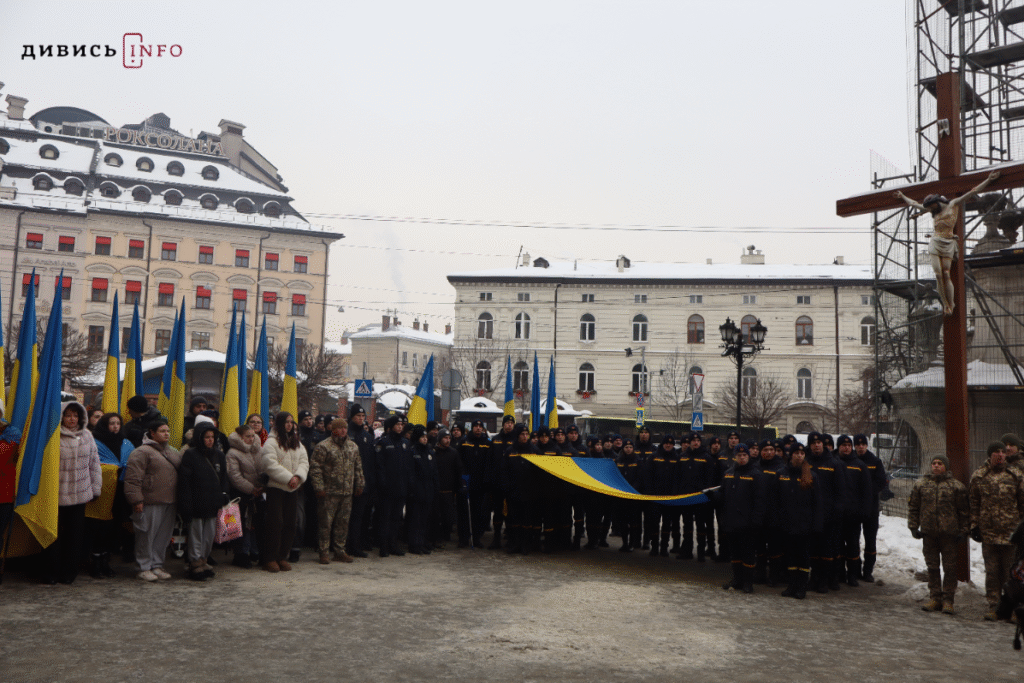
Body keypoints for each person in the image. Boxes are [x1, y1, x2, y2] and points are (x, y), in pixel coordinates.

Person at [894, 170, 1000, 315]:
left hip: (948, 242)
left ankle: (951, 303)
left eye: (931, 207)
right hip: (935, 242)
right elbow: (914, 203)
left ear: (936, 202)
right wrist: (902, 196)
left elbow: (972, 192)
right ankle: (946, 305)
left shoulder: (953, 204)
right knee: (938, 274)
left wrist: (989, 180)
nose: (930, 210)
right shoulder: (934, 211)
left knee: (946, 273)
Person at [42, 402, 102, 585]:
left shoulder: (87, 436)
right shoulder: (52, 436)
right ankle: (50, 572)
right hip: (56, 495)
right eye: (68, 415)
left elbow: (94, 464)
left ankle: (69, 572)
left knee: (74, 537)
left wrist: (95, 488)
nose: (72, 419)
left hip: (79, 495)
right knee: (53, 536)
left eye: (75, 415)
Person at [908, 454, 969, 614]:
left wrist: (964, 531)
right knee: (932, 567)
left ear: (946, 467)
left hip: (949, 535)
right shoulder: (921, 485)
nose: (935, 466)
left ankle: (948, 600)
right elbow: (914, 507)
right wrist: (913, 527)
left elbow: (963, 511)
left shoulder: (956, 486)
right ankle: (934, 598)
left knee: (950, 568)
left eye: (939, 463)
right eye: (933, 463)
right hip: (929, 534)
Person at [970, 441, 1024, 620]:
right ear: (990, 455)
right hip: (989, 533)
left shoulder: (1016, 475)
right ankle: (994, 606)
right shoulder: (979, 476)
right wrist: (974, 526)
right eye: (996, 452)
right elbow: (974, 504)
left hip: (1010, 534)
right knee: (992, 573)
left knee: (1012, 573)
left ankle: (1013, 608)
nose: (1001, 455)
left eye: (1003, 452)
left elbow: (1022, 504)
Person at [123, 418, 181, 581]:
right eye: (162, 431)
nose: (166, 434)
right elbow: (133, 479)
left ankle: (157, 565)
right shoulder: (142, 452)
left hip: (169, 501)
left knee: (163, 536)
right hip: (149, 501)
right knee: (146, 535)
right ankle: (143, 566)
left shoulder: (171, 451)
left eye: (168, 431)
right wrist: (136, 500)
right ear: (152, 433)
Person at [177, 422, 230, 581]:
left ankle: (204, 560)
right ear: (199, 438)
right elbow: (184, 482)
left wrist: (224, 494)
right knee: (196, 535)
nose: (210, 440)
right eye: (206, 437)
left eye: (212, 437)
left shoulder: (219, 455)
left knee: (209, 535)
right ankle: (195, 562)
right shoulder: (191, 455)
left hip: (213, 503)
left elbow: (224, 478)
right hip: (196, 503)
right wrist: (186, 504)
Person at [309, 418, 365, 564]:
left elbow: (358, 467)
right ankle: (324, 552)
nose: (343, 430)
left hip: (347, 492)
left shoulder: (353, 446)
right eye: (340, 428)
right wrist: (319, 487)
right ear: (333, 429)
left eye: (345, 428)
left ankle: (340, 551)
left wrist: (359, 484)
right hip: (329, 493)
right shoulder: (323, 446)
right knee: (325, 524)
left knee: (343, 523)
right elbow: (315, 469)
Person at [85, 412, 133, 578]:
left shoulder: (126, 443)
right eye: (111, 423)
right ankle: (95, 563)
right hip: (100, 492)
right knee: (98, 528)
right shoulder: (93, 441)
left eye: (118, 423)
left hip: (119, 492)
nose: (115, 426)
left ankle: (106, 562)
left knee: (113, 528)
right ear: (105, 425)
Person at [715, 443, 767, 594]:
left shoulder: (755, 474)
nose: (742, 458)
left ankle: (748, 582)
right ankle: (737, 580)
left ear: (748, 456)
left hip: (748, 523)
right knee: (735, 553)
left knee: (748, 554)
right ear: (735, 457)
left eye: (744, 455)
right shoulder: (729, 473)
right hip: (731, 522)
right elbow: (723, 495)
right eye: (739, 455)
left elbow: (760, 500)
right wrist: (713, 496)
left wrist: (756, 521)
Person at [260, 412, 309, 573]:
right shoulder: (271, 442)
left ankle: (282, 556)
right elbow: (269, 464)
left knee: (290, 523)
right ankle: (270, 558)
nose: (289, 425)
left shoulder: (296, 443)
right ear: (280, 424)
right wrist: (289, 477)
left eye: (291, 422)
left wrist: (298, 477)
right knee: (275, 523)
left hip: (293, 489)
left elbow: (304, 461)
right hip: (277, 488)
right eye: (286, 422)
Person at [777, 443, 822, 599]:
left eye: (802, 453)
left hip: (805, 524)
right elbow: (775, 500)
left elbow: (817, 502)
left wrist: (816, 524)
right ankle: (791, 585)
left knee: (803, 557)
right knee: (790, 556)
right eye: (796, 452)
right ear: (791, 455)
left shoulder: (811, 476)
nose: (799, 455)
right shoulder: (781, 474)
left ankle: (801, 587)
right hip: (787, 524)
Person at [836, 434, 874, 587]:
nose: (846, 448)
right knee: (837, 546)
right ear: (838, 447)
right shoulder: (835, 463)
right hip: (838, 515)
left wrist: (864, 512)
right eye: (843, 445)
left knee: (853, 546)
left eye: (848, 445)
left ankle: (852, 574)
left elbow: (867, 491)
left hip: (853, 515)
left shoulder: (859, 465)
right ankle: (839, 574)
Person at [226, 424, 265, 568]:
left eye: (252, 436)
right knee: (242, 526)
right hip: (242, 495)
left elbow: (265, 467)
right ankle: (241, 554)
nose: (251, 439)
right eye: (247, 436)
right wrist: (251, 489)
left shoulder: (259, 450)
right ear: (240, 437)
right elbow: (234, 476)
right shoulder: (232, 453)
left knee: (257, 525)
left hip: (259, 493)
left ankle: (255, 551)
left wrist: (262, 485)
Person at [854, 433, 890, 582]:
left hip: (871, 508)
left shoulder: (875, 461)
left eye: (863, 444)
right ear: (855, 446)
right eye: (858, 444)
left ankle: (868, 571)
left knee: (870, 540)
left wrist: (867, 491)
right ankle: (854, 570)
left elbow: (881, 481)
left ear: (867, 445)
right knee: (853, 540)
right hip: (854, 508)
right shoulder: (851, 460)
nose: (861, 447)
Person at [375, 415, 412, 557]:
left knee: (396, 518)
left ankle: (393, 544)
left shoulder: (405, 443)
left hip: (401, 487)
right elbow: (379, 466)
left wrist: (408, 484)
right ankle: (383, 546)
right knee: (385, 518)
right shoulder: (383, 442)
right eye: (397, 424)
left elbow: (408, 466)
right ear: (391, 426)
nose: (400, 427)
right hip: (387, 488)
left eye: (401, 425)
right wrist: (382, 483)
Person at [500, 424, 540, 554]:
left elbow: (539, 473)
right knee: (514, 520)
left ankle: (526, 545)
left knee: (527, 520)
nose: (525, 437)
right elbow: (504, 471)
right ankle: (514, 543)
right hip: (514, 491)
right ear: (517, 436)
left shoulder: (534, 450)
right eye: (522, 434)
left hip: (529, 492)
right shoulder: (510, 451)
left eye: (526, 434)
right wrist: (507, 488)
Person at [346, 404, 376, 557]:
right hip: (347, 482)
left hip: (364, 483)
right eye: (358, 416)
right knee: (348, 516)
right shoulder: (347, 434)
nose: (361, 419)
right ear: (352, 417)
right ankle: (348, 545)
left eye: (363, 416)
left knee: (361, 515)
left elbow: (370, 461)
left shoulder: (368, 436)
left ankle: (358, 543)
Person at [460, 419, 496, 548]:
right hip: (466, 483)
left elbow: (489, 464)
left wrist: (487, 480)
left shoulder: (487, 443)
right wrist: (463, 479)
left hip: (480, 485)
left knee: (479, 513)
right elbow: (460, 462)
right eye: (476, 426)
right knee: (465, 513)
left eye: (481, 426)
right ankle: (464, 539)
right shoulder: (464, 442)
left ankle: (477, 538)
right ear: (472, 428)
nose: (478, 428)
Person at [406, 425, 439, 555]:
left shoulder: (430, 451)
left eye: (426, 437)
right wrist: (413, 489)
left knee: (425, 518)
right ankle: (414, 544)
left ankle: (423, 542)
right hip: (417, 490)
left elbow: (434, 471)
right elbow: (410, 472)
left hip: (428, 489)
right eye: (422, 437)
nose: (425, 439)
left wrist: (435, 487)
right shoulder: (413, 451)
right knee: (416, 519)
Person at [432, 428, 465, 548]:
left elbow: (459, 470)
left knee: (448, 517)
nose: (448, 440)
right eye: (445, 438)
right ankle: (436, 537)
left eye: (449, 438)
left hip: (449, 490)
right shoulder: (433, 452)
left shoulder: (453, 453)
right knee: (436, 516)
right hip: (436, 489)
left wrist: (460, 485)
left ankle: (446, 535)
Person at [615, 439, 643, 552]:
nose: (628, 449)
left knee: (633, 522)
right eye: (626, 447)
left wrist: (632, 489)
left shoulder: (638, 460)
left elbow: (640, 478)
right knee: (623, 522)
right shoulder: (618, 460)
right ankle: (624, 543)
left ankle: (632, 543)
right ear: (623, 449)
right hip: (622, 496)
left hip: (633, 496)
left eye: (630, 447)